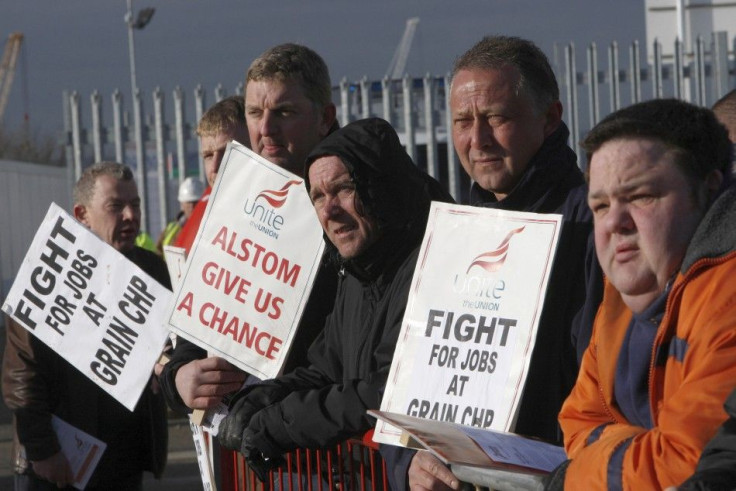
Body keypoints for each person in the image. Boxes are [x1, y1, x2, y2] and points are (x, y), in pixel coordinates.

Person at [393, 35, 602, 491]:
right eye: (463, 121)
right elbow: (415, 376)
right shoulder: (453, 234)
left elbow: (601, 379)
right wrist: (406, 461)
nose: (478, 139)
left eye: (496, 117)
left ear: (550, 119)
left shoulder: (593, 226)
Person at [217, 117, 454, 481]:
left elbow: (390, 388)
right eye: (317, 197)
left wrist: (284, 421)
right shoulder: (357, 271)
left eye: (343, 189)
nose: (329, 211)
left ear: (381, 187)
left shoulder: (433, 264)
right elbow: (326, 367)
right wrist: (263, 398)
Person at [549, 99, 736, 489]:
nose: (615, 222)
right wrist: (642, 450)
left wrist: (579, 476)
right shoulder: (621, 293)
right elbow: (577, 426)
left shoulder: (726, 293)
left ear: (708, 189)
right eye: (600, 205)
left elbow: (689, 464)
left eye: (641, 197)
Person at [2, 162, 171, 490]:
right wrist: (43, 451)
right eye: (115, 206)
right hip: (57, 464)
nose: (129, 216)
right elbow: (21, 374)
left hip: (122, 460)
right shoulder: (48, 275)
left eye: (135, 204)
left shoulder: (153, 271)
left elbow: (169, 348)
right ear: (81, 214)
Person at [155, 176, 204, 255]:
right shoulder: (170, 230)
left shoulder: (211, 228)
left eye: (195, 202)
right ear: (182, 203)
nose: (191, 206)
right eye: (188, 202)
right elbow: (158, 254)